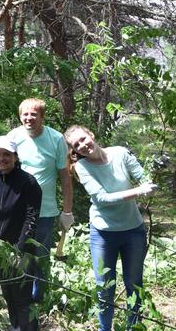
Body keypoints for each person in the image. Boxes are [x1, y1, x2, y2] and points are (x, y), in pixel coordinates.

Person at [64, 125, 157, 331]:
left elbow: (143, 176)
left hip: (133, 229)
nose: (82, 145)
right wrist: (139, 192)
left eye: (83, 139)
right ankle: (105, 329)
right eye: (76, 145)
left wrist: (150, 183)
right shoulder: (82, 167)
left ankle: (133, 327)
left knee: (134, 283)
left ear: (91, 135)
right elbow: (102, 199)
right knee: (105, 287)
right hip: (103, 233)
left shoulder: (120, 153)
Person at [7, 98, 73, 301]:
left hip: (45, 211)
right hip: (17, 210)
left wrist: (67, 211)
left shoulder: (56, 139)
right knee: (18, 253)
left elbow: (65, 176)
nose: (29, 118)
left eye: (34, 114)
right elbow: (3, 170)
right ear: (20, 116)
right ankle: (19, 296)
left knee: (41, 256)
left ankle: (38, 299)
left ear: (42, 117)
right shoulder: (13, 137)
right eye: (25, 114)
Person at [0, 136, 42, 331]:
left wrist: (19, 250)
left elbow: (31, 218)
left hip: (23, 248)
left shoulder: (28, 182)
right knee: (8, 294)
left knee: (23, 298)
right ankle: (16, 327)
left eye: (6, 154)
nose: (1, 159)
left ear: (15, 156)